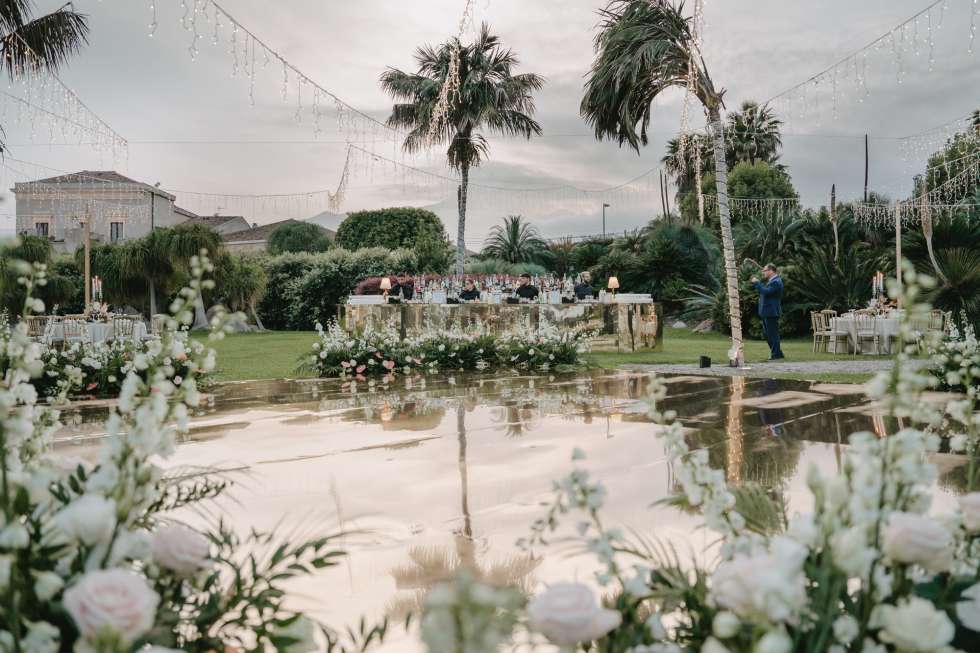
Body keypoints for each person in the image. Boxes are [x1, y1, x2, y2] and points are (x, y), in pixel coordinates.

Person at [751, 263, 785, 360]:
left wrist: (757, 283)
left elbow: (766, 292)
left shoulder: (776, 282)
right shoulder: (772, 281)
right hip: (767, 311)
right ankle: (778, 353)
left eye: (765, 271)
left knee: (772, 334)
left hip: (771, 311)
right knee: (768, 334)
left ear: (771, 271)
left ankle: (776, 354)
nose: (763, 273)